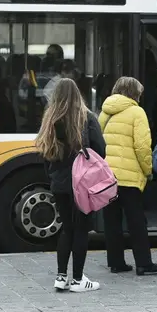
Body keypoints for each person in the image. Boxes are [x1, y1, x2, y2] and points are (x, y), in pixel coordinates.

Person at [36, 78, 105, 292]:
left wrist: (54, 175)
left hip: (59, 183)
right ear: (77, 95)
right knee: (81, 230)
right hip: (81, 183)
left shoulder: (50, 119)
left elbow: (46, 155)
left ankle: (61, 276)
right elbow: (100, 150)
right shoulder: (86, 118)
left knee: (67, 229)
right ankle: (77, 280)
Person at [98, 76, 157, 276]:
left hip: (108, 176)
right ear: (135, 93)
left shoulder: (104, 112)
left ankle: (116, 262)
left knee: (112, 221)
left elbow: (98, 144)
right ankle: (143, 263)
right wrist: (148, 170)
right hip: (129, 177)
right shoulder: (137, 112)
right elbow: (142, 146)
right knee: (136, 221)